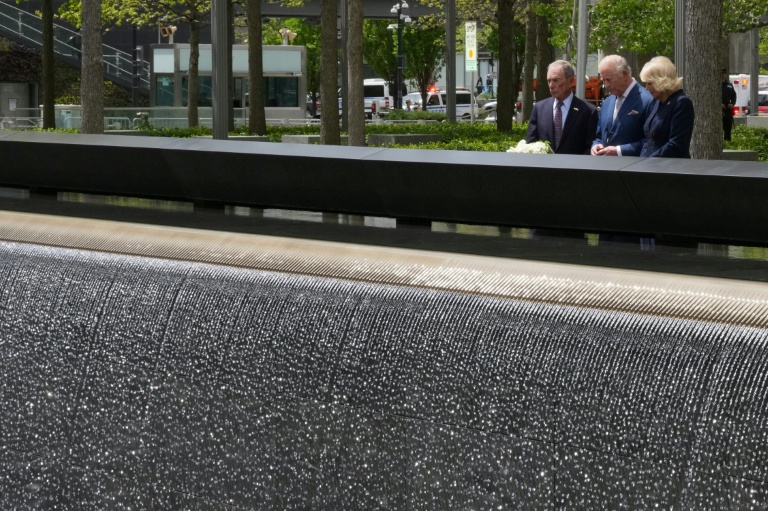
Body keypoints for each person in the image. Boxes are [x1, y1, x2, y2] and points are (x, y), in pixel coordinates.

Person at [526, 60, 598, 155]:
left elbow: (590, 148)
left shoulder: (588, 111)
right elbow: (531, 144)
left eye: (556, 80)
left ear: (571, 81)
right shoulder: (539, 108)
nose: (551, 86)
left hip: (574, 168)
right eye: (549, 81)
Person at [591, 55, 653, 156]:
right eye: (603, 81)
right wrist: (596, 145)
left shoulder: (647, 100)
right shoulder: (607, 102)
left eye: (609, 80)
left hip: (633, 167)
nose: (606, 85)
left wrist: (619, 151)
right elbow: (599, 136)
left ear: (624, 74)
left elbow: (651, 142)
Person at [638, 56, 695, 158]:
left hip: (671, 169)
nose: (646, 88)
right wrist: (642, 162)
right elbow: (648, 139)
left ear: (662, 80)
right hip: (650, 168)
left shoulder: (681, 103)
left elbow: (676, 144)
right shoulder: (654, 103)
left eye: (649, 83)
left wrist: (649, 162)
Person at [722, 68, 737, 141]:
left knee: (728, 128)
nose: (723, 75)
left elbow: (734, 95)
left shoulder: (729, 85)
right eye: (721, 73)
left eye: (724, 73)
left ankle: (727, 142)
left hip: (727, 109)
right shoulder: (715, 86)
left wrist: (732, 103)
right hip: (719, 110)